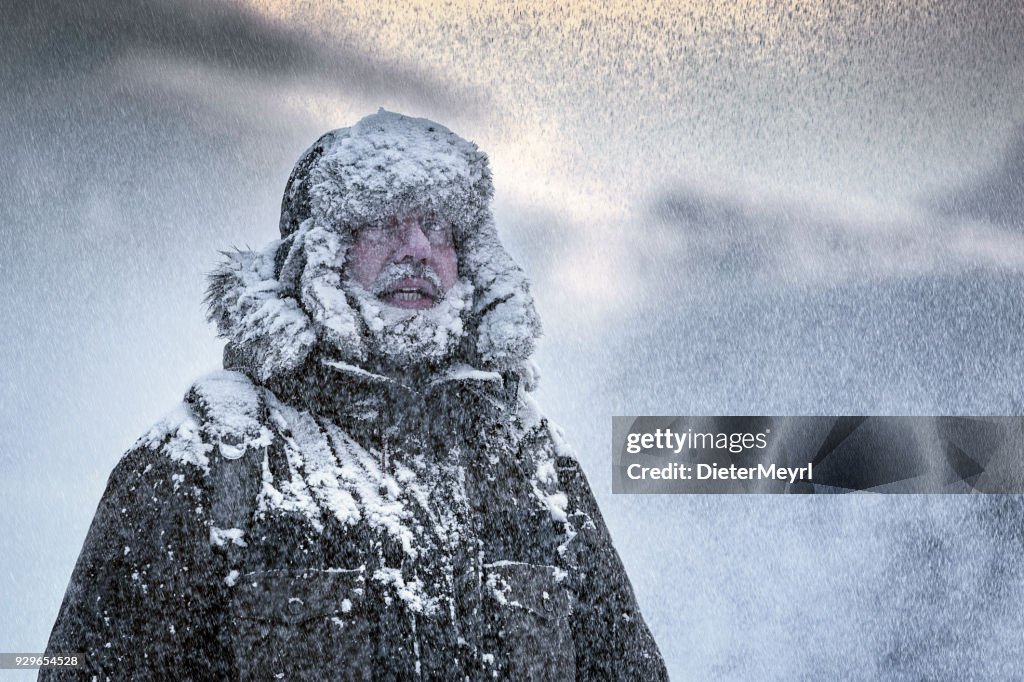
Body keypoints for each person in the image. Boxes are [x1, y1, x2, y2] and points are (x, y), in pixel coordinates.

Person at [43, 110, 667, 680]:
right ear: (319, 253)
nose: (417, 248)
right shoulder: (207, 460)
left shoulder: (532, 464)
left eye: (437, 225)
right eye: (381, 221)